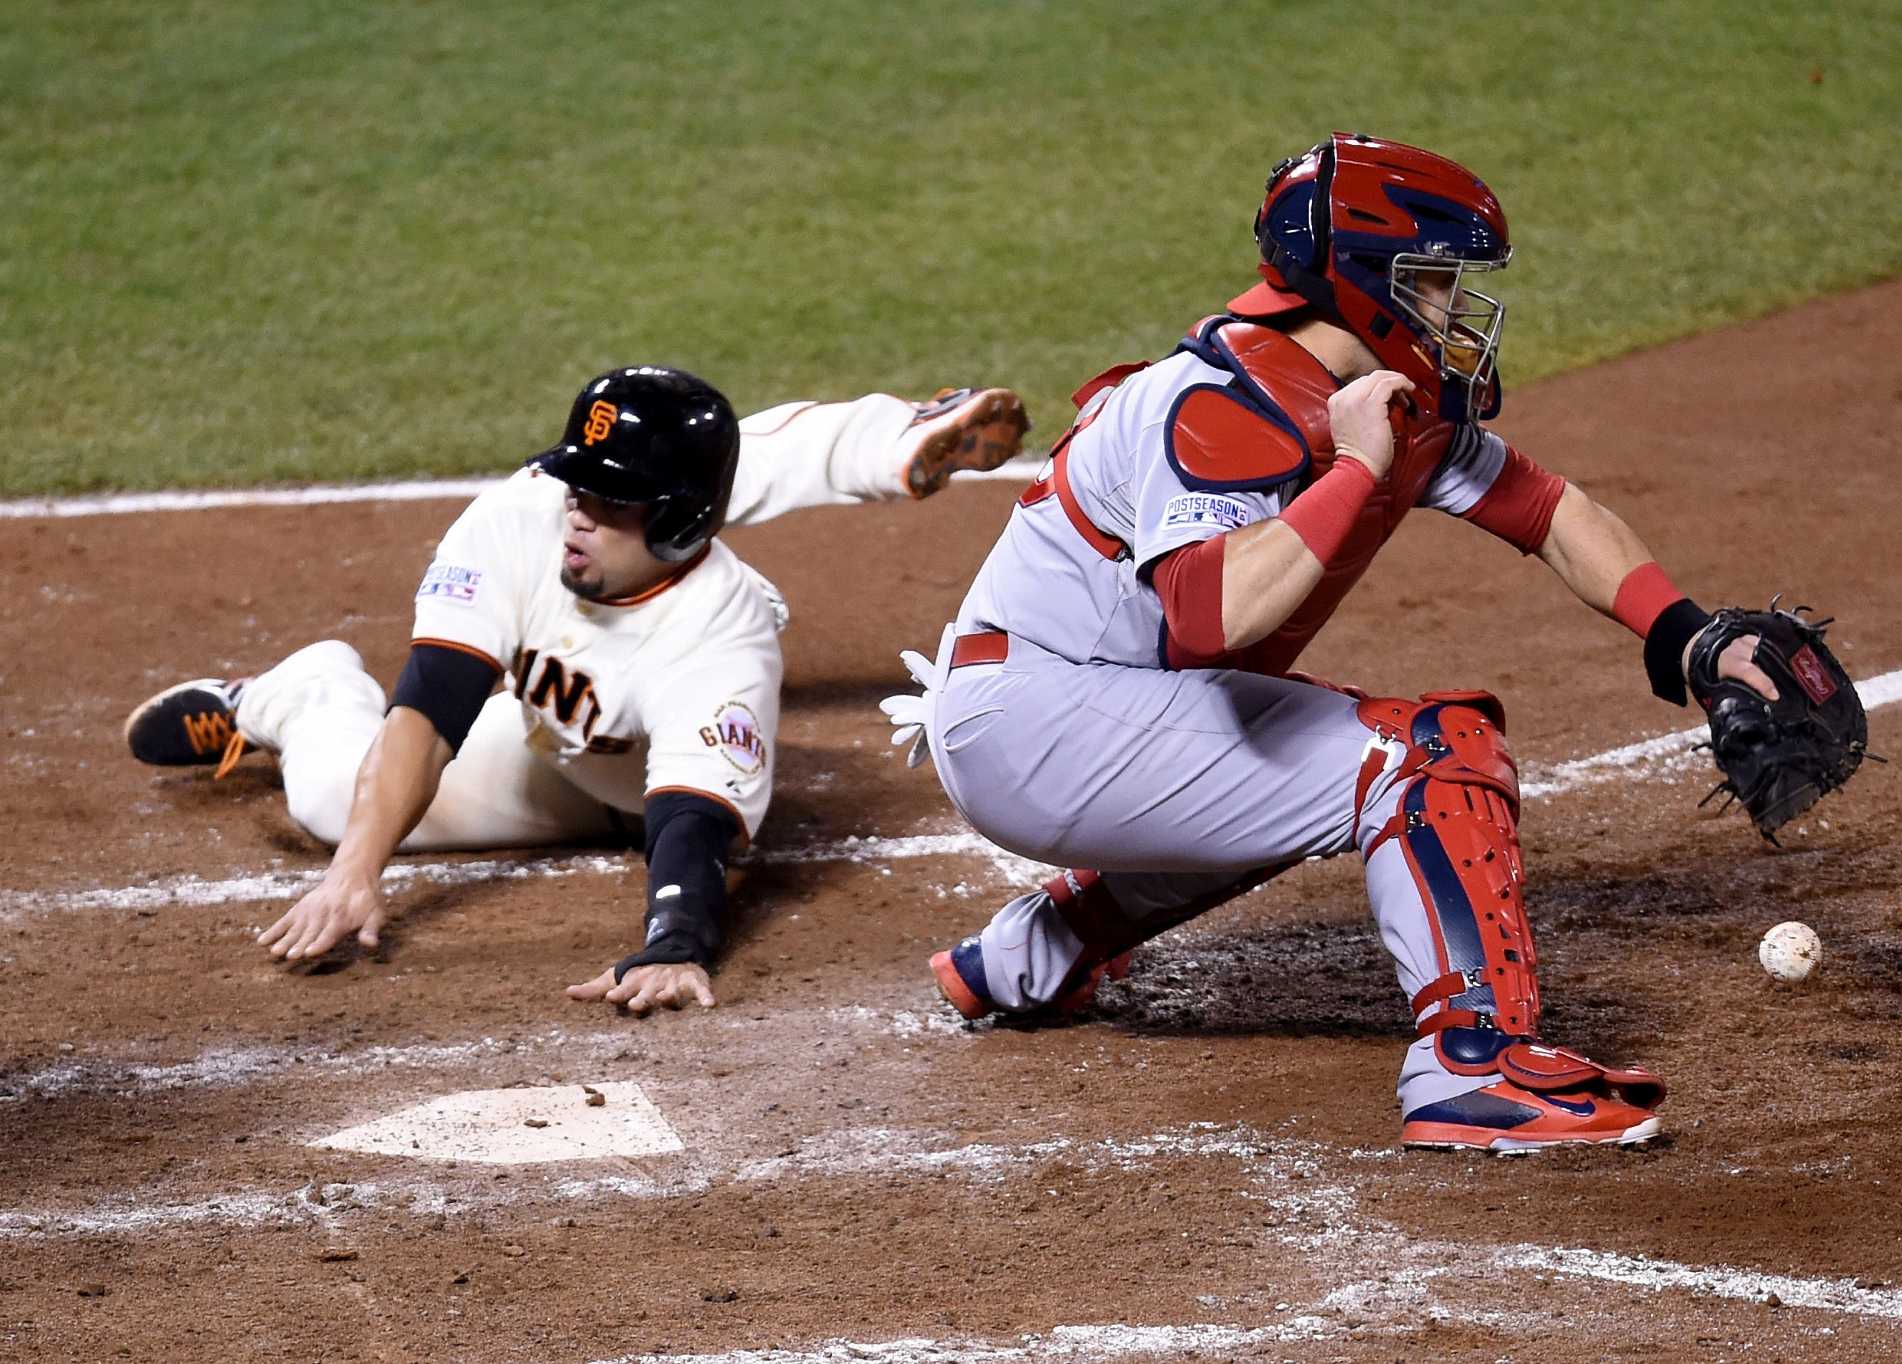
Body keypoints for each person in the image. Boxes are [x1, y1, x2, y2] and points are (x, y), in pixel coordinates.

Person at [881, 134, 1780, 1153]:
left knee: (1290, 761)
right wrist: (1353, 468)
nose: (1451, 307)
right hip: (1034, 721)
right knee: (1426, 755)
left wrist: (1688, 634)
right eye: (1431, 280)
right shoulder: (1217, 405)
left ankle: (1032, 951)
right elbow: (1208, 617)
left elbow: (1541, 508)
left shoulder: (1386, 394)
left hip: (1089, 710)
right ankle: (1471, 1065)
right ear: (1360, 284)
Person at [124, 368, 1028, 1014]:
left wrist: (675, 944)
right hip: (548, 736)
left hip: (628, 776)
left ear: (672, 524)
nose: (577, 510)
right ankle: (300, 692)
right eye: (575, 485)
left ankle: (894, 432)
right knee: (334, 802)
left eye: (609, 500)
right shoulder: (526, 515)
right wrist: (355, 876)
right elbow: (432, 708)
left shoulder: (721, 633)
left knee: (659, 789)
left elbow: (690, 822)